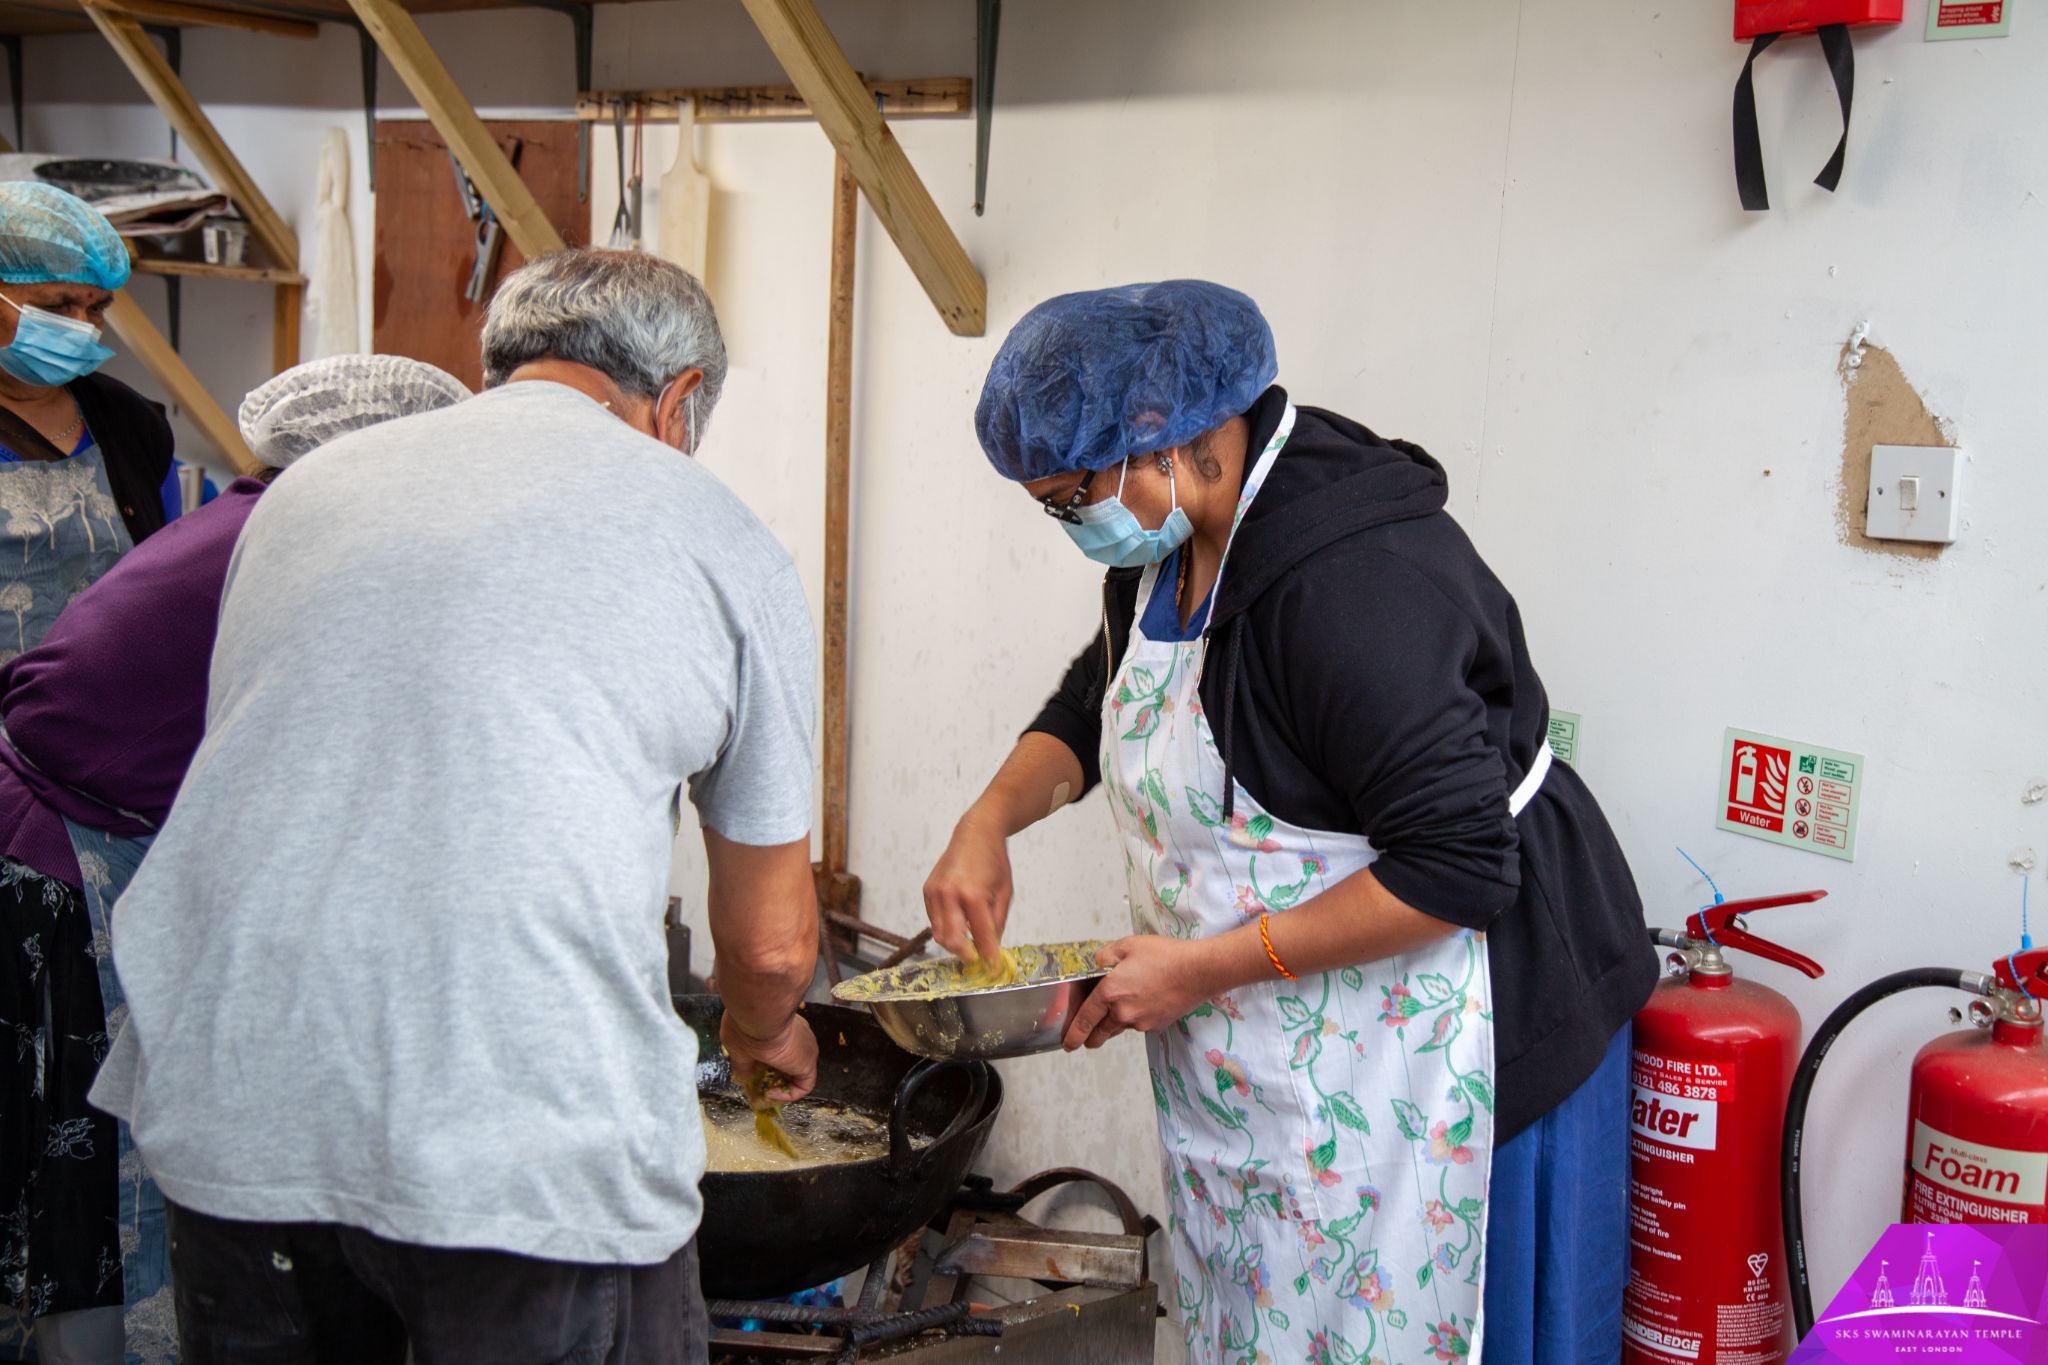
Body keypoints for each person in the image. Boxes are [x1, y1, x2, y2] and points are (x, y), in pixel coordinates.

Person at [91, 249, 820, 1364]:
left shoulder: (304, 494)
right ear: (677, 403)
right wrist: (765, 1034)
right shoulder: (717, 534)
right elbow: (770, 944)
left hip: (235, 1092)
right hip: (517, 1135)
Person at [923, 281, 1655, 1365]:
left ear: (1167, 442)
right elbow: (1101, 694)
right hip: (1261, 1039)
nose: (1068, 522)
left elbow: (1455, 867)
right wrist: (987, 820)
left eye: (1069, 495)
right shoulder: (1165, 544)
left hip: (1449, 1048)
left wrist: (1203, 968)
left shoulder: (1350, 589)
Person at [0, 353, 468, 1364]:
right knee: (93, 1167)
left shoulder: (263, 517)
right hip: (61, 854)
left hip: (91, 815)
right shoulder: (303, 549)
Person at [0, 183, 177, 661]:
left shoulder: (131, 424)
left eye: (96, 307)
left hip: (98, 716)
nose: (81, 325)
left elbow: (163, 580)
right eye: (55, 306)